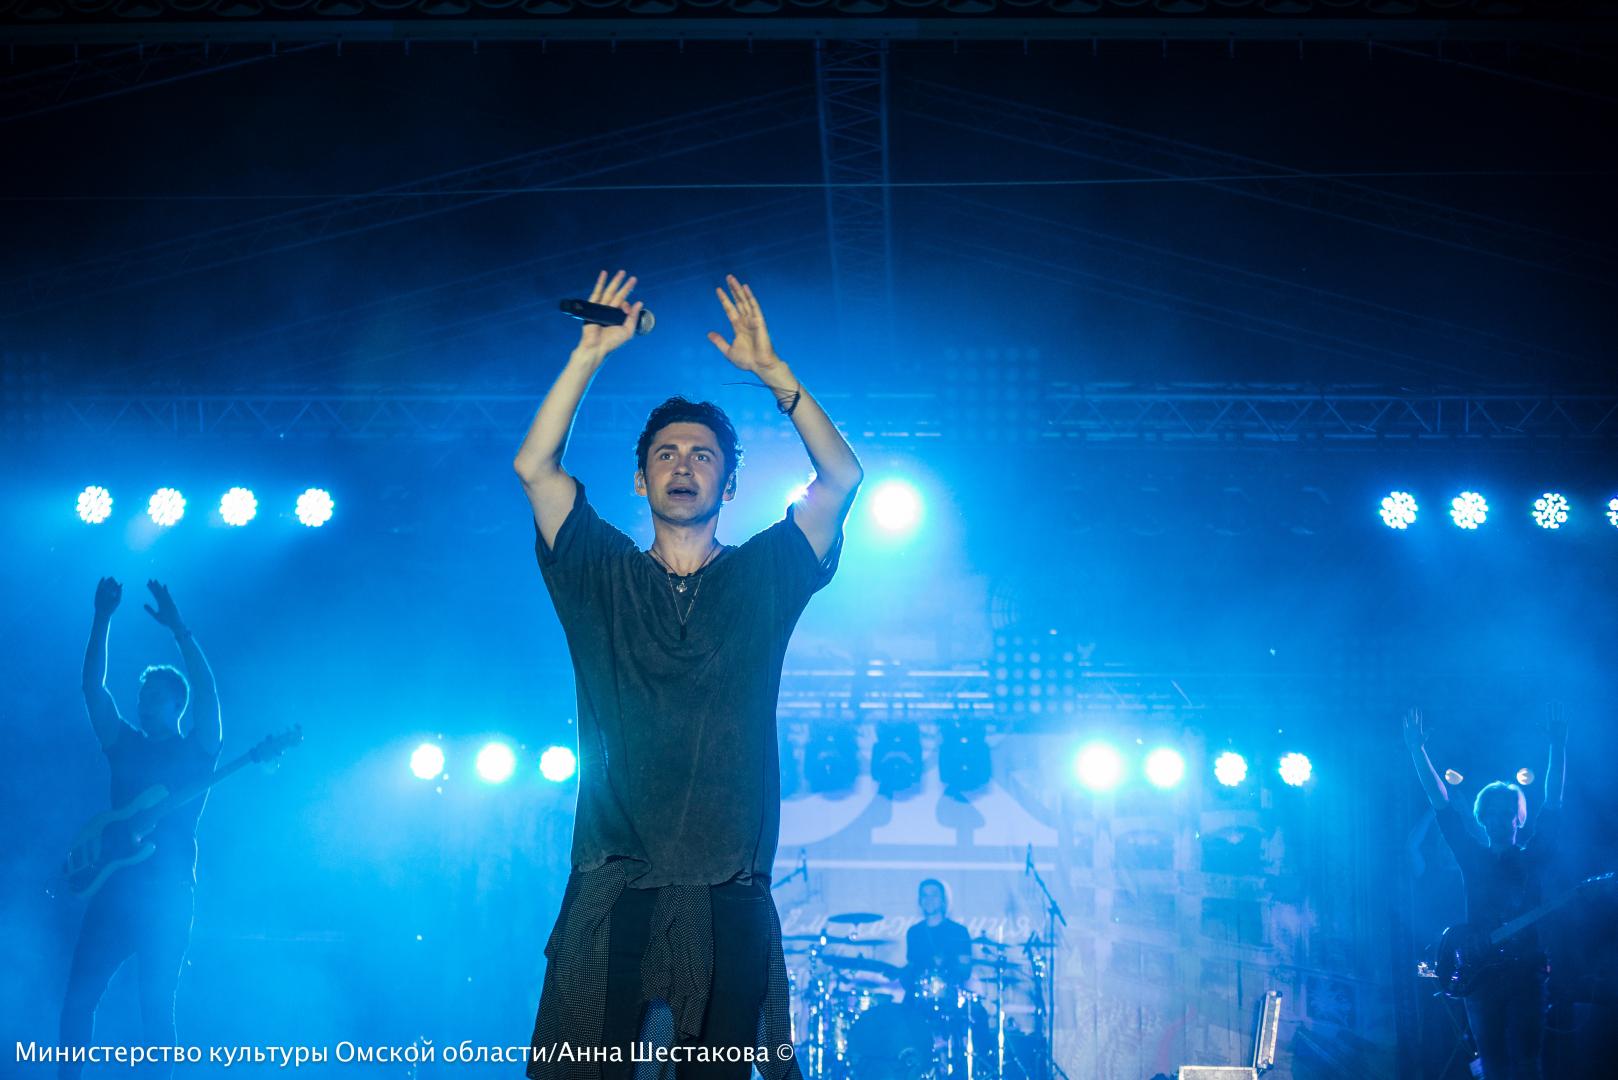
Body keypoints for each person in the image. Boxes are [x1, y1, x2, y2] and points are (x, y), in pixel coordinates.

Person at [518, 270, 863, 1080]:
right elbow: (536, 467)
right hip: (616, 885)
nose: (683, 465)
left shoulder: (765, 574)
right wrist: (589, 355)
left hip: (728, 890)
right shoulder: (600, 572)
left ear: (729, 483)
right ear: (640, 479)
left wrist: (774, 376)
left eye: (703, 456)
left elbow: (842, 480)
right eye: (665, 455)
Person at [59, 578, 223, 1080]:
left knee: (156, 1008)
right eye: (141, 694)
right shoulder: (125, 744)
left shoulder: (196, 752)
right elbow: (93, 689)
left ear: (176, 704)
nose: (142, 702)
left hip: (167, 896)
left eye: (153, 696)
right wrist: (101, 618)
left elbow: (208, 695)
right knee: (78, 1002)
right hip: (114, 891)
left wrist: (180, 630)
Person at [1404, 703, 1568, 1080]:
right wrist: (1417, 750)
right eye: (1490, 813)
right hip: (1481, 975)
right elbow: (1441, 804)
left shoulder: (1532, 857)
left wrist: (1557, 747)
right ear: (1481, 817)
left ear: (1517, 817)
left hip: (1527, 973)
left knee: (1527, 1064)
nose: (1497, 819)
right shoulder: (1473, 858)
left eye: (1504, 812)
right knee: (1492, 1064)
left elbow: (1553, 804)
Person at [903, 879, 973, 998]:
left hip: (949, 995)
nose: (929, 899)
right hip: (919, 995)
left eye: (934, 895)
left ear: (943, 901)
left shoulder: (959, 931)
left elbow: (965, 970)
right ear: (920, 901)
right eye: (925, 895)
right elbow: (912, 966)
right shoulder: (914, 932)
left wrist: (946, 968)